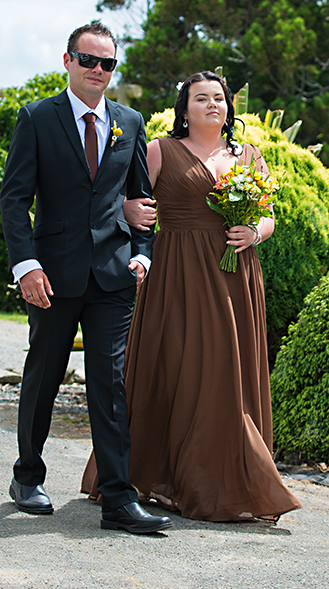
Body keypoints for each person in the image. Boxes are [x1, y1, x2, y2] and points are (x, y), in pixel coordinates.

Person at [81, 71, 301, 521]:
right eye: (201, 98)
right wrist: (128, 212)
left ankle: (221, 480)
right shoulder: (162, 149)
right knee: (176, 365)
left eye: (219, 98)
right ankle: (148, 474)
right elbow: (125, 200)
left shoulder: (248, 156)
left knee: (226, 371)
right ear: (184, 109)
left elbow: (269, 216)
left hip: (234, 275)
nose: (213, 105)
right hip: (176, 274)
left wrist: (254, 231)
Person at [0, 20, 171, 534]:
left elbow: (142, 200)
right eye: (89, 60)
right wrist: (25, 265)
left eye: (108, 63)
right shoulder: (36, 118)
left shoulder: (130, 122)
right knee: (44, 376)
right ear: (68, 61)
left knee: (110, 384)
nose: (98, 70)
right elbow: (13, 200)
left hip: (115, 276)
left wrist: (142, 253)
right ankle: (27, 476)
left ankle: (118, 498)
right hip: (51, 276)